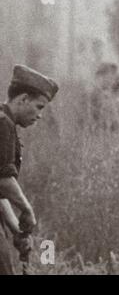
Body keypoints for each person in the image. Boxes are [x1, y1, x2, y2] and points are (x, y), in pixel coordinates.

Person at [0, 65, 58, 274]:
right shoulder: (3, 123)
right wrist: (27, 210)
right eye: (39, 107)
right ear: (23, 99)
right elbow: (4, 182)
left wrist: (17, 230)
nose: (40, 115)